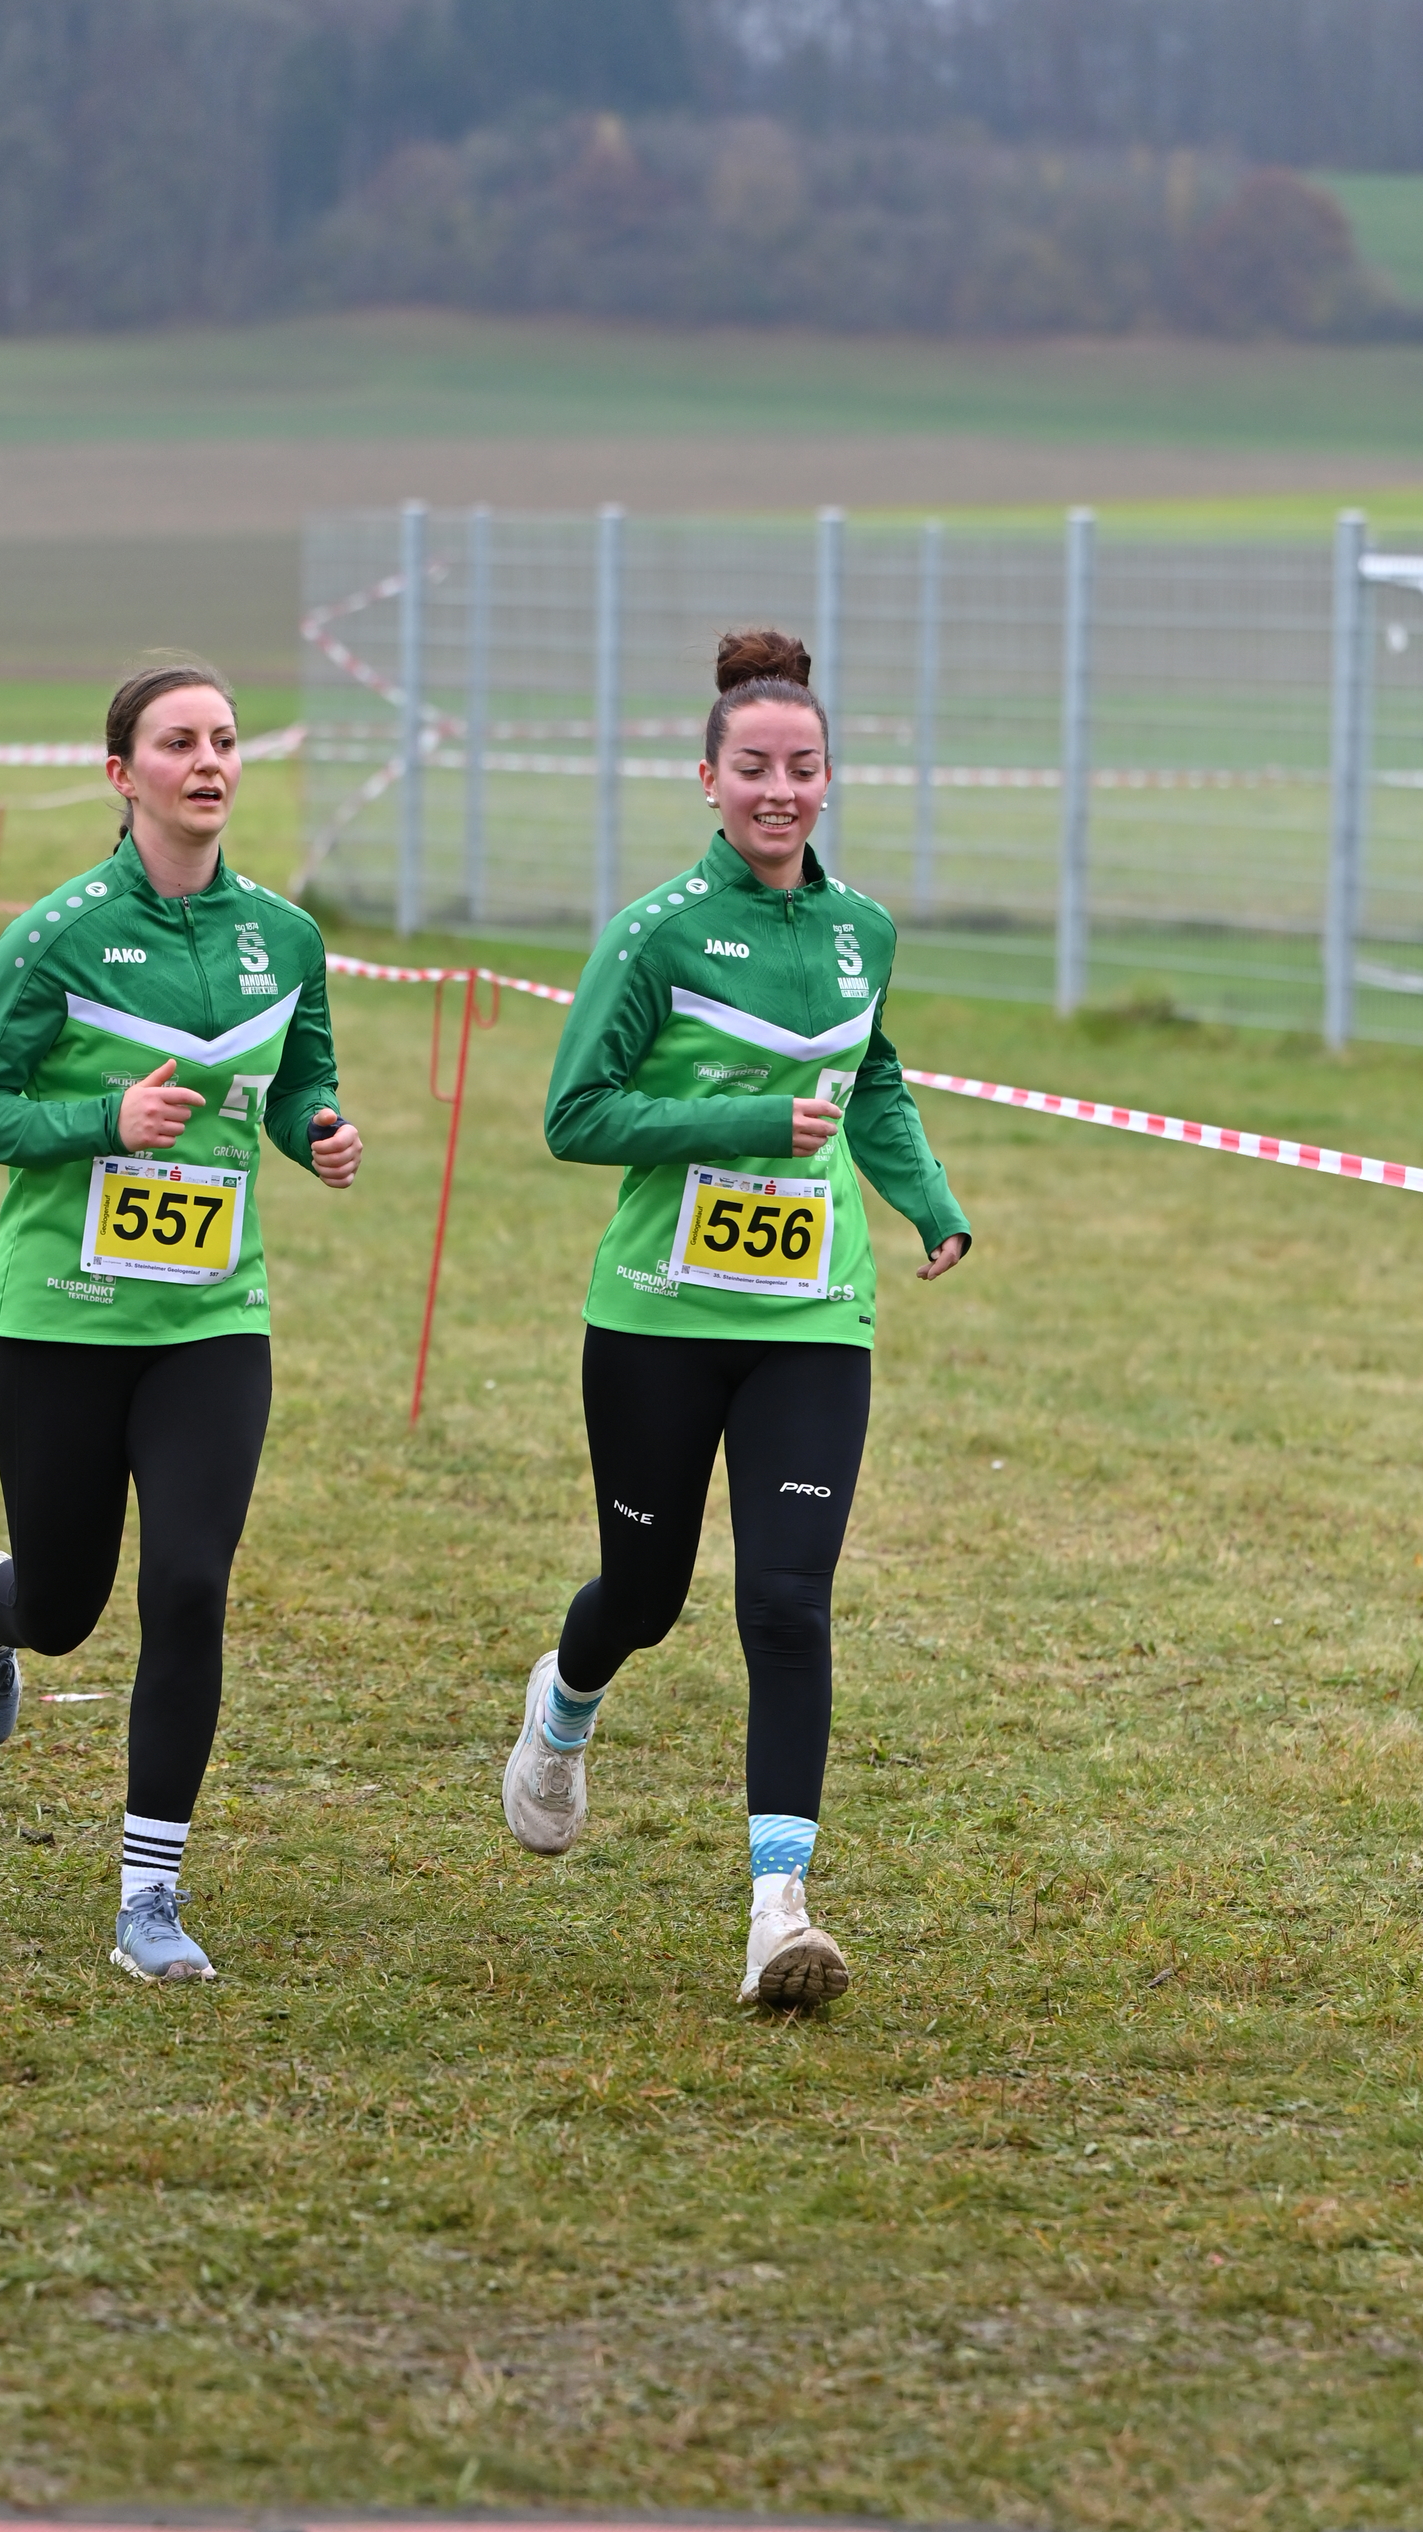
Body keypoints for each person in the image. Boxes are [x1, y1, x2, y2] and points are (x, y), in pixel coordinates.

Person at [503, 628, 971, 2008]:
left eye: (803, 767)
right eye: (754, 767)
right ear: (707, 779)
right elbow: (575, 1115)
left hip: (811, 1316)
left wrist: (926, 1200)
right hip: (657, 1316)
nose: (780, 790)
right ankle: (564, 1704)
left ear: (829, 778)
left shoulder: (860, 930)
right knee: (643, 1597)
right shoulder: (655, 933)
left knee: (785, 1599)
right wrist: (747, 1120)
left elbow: (871, 1079)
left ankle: (780, 1912)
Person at [0, 658, 362, 1985]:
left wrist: (316, 1129)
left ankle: (149, 1895)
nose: (208, 761)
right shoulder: (56, 933)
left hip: (211, 1320)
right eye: (179, 742)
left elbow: (301, 1078)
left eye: (223, 739)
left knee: (188, 1585)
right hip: (58, 1320)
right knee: (65, 1605)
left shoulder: (285, 937)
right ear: (122, 774)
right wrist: (99, 1121)